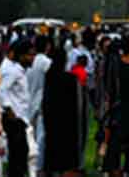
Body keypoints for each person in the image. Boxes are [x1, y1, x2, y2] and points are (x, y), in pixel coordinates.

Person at [42, 46, 84, 176]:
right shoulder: (70, 79)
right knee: (66, 156)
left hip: (52, 120)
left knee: (52, 148)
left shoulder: (48, 76)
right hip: (68, 122)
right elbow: (77, 104)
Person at [102, 38, 129, 177]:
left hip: (125, 104)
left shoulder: (121, 63)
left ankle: (118, 167)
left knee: (123, 137)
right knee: (122, 138)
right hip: (125, 104)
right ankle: (120, 168)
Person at [0, 40, 35, 177]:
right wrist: (9, 109)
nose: (32, 58)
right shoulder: (14, 71)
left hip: (21, 117)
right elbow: (1, 89)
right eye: (29, 55)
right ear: (21, 56)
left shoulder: (21, 72)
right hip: (14, 118)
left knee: (21, 154)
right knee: (17, 155)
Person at [26, 36, 51, 177]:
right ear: (47, 46)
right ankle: (38, 168)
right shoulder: (47, 63)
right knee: (41, 137)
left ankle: (30, 165)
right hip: (41, 102)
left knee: (31, 137)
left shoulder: (30, 61)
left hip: (29, 101)